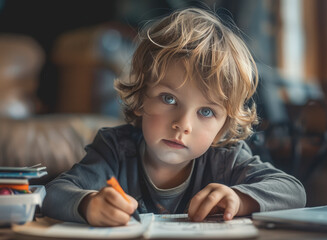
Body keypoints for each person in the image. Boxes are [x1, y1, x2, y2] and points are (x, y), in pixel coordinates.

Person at [42, 7, 306, 227]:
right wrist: (89, 204)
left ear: (223, 126)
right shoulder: (115, 149)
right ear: (142, 97)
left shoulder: (226, 158)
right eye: (169, 99)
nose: (183, 124)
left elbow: (293, 191)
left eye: (206, 111)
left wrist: (239, 198)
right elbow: (54, 193)